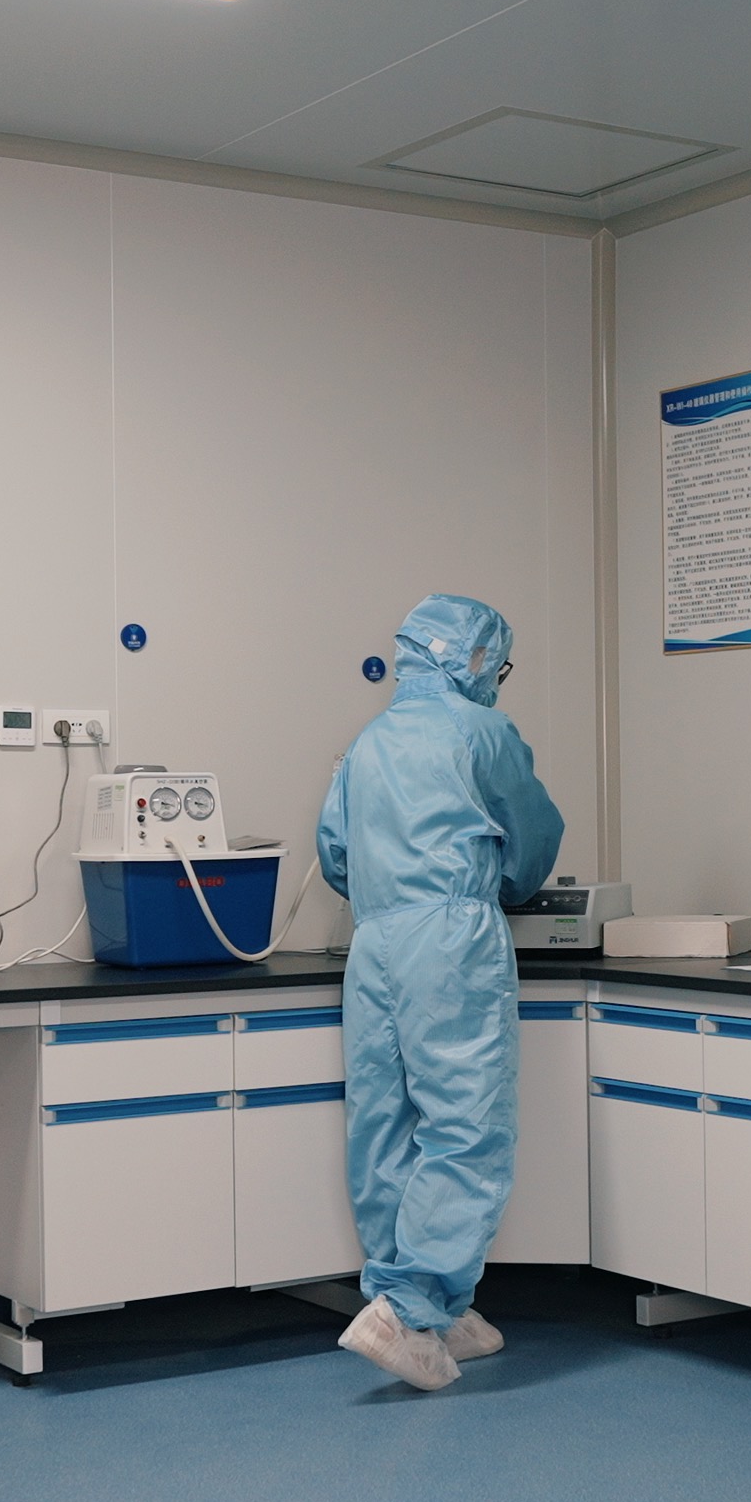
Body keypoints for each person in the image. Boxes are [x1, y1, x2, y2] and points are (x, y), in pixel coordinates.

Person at [316, 594, 565, 1392]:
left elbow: (335, 853)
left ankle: (430, 1305)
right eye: (497, 662)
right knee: (466, 1126)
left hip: (375, 941)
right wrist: (500, 890)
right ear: (473, 658)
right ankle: (410, 1312)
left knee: (385, 1124)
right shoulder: (482, 732)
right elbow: (534, 839)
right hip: (451, 936)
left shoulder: (366, 743)